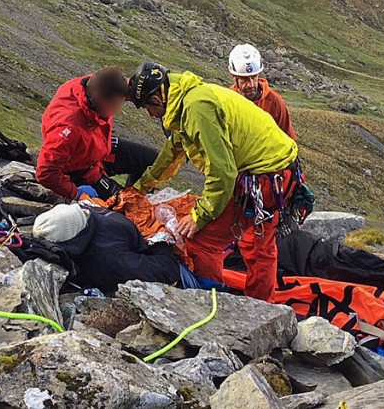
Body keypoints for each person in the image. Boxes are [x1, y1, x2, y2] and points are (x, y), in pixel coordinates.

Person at [128, 62, 299, 301]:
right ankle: (262, 306)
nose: (150, 114)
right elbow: (173, 150)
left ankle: (215, 306)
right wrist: (141, 187)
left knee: (200, 242)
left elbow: (223, 172)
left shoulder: (196, 108)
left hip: (260, 181)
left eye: (147, 106)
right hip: (280, 176)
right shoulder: (188, 98)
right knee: (260, 247)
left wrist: (201, 215)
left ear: (157, 97)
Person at [36, 67, 159, 201]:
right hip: (82, 170)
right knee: (125, 206)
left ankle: (138, 197)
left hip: (97, 148)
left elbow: (122, 88)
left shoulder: (97, 85)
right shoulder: (69, 128)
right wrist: (76, 193)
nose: (116, 110)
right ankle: (131, 205)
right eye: (113, 106)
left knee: (152, 160)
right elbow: (45, 172)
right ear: (100, 98)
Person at [32, 203, 181, 293]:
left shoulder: (84, 211)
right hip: (143, 248)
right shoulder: (108, 258)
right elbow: (168, 270)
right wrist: (160, 241)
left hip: (131, 240)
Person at [228, 43, 297, 141]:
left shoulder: (274, 102)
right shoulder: (228, 101)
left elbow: (288, 138)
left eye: (254, 77)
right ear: (234, 77)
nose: (251, 84)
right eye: (244, 79)